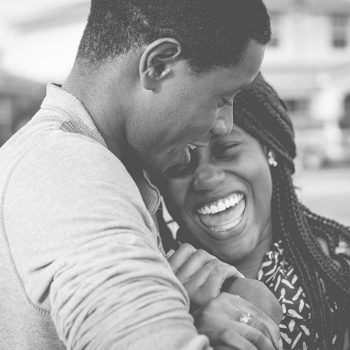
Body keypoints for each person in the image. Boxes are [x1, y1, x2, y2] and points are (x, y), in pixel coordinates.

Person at [0, 1, 280, 349]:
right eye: (222, 98)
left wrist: (238, 296)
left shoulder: (75, 161)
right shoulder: (70, 173)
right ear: (158, 65)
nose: (225, 125)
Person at [155, 74, 350, 350]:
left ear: (270, 151)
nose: (206, 178)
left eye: (228, 150)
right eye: (181, 162)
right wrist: (183, 329)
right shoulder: (154, 290)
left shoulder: (340, 272)